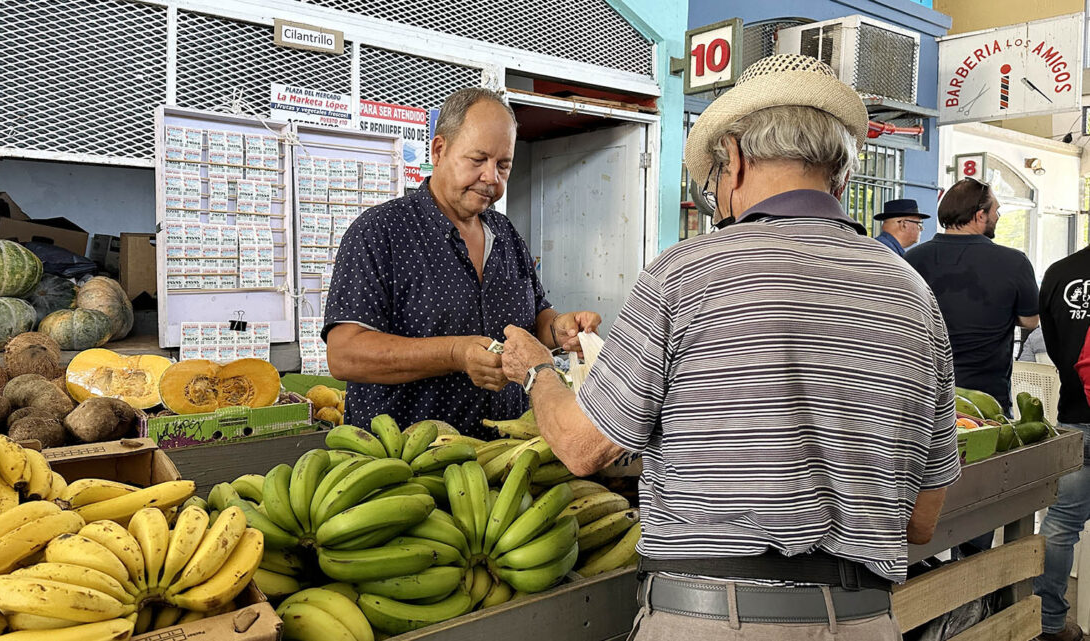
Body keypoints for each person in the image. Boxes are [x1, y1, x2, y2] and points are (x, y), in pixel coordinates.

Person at [501, 54, 959, 640]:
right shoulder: (913, 294)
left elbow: (583, 448)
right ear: (840, 176)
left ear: (735, 160)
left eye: (714, 179)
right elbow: (921, 520)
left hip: (711, 620)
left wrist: (537, 369)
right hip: (863, 622)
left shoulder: (686, 274)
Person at [321, 88, 600, 440]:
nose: (491, 178)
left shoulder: (506, 233)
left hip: (505, 458)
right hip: (407, 469)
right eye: (478, 159)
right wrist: (454, 353)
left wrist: (560, 329)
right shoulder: (379, 233)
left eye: (503, 165)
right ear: (440, 150)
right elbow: (344, 354)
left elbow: (537, 317)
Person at [905, 178, 1040, 415]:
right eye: (996, 210)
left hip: (924, 399)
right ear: (980, 215)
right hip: (987, 404)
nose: (998, 216)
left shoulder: (911, 260)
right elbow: (1031, 321)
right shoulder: (1014, 262)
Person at [1032, 245, 1090, 641]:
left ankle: (1048, 623)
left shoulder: (1061, 271)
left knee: (1060, 526)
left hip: (1075, 414)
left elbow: (1051, 342)